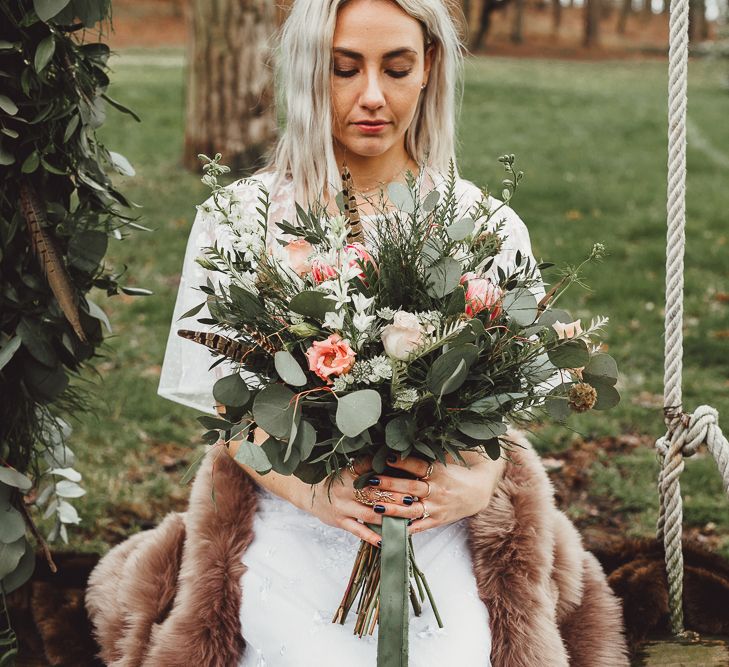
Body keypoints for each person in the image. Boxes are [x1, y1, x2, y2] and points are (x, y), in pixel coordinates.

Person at [86, 1, 629, 665]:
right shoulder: (240, 220)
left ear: (428, 67)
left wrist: (478, 482)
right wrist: (315, 491)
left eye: (396, 68)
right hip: (293, 505)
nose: (371, 95)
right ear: (311, 72)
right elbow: (232, 414)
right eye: (344, 69)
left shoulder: (483, 225)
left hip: (435, 514)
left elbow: (499, 414)